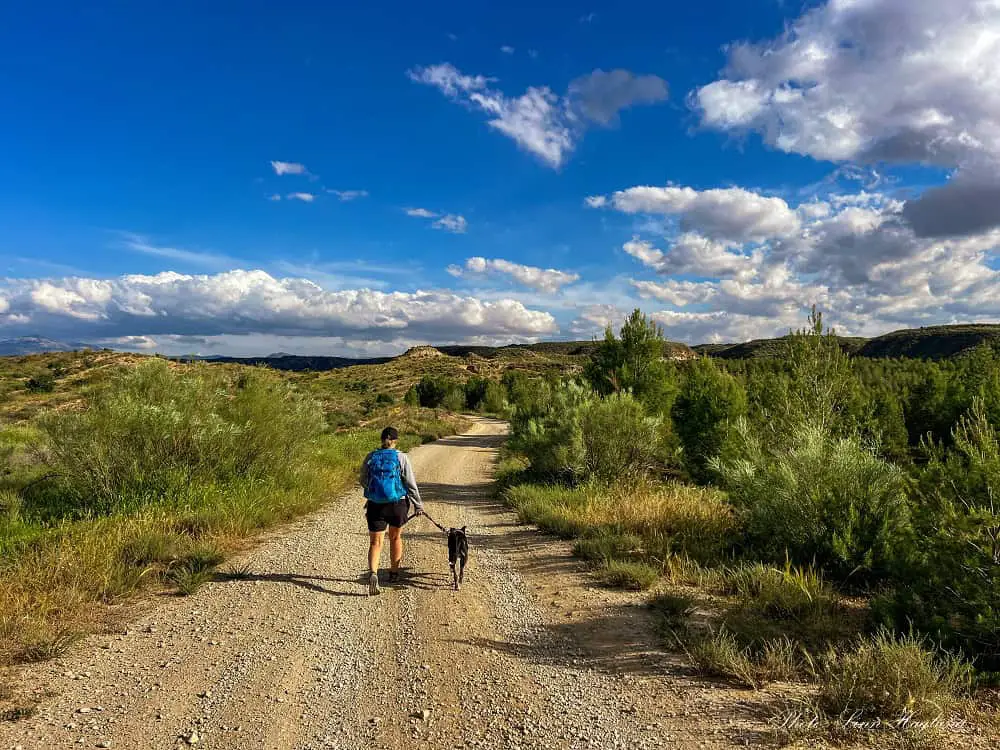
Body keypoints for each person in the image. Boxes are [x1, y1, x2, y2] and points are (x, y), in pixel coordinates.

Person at [359, 427, 423, 595]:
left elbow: (363, 479)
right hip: (397, 504)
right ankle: (394, 573)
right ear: (396, 440)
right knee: (395, 537)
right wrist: (418, 505)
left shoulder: (371, 456)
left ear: (381, 440)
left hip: (375, 504)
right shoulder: (401, 457)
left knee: (375, 543)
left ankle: (373, 573)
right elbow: (410, 484)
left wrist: (373, 492)